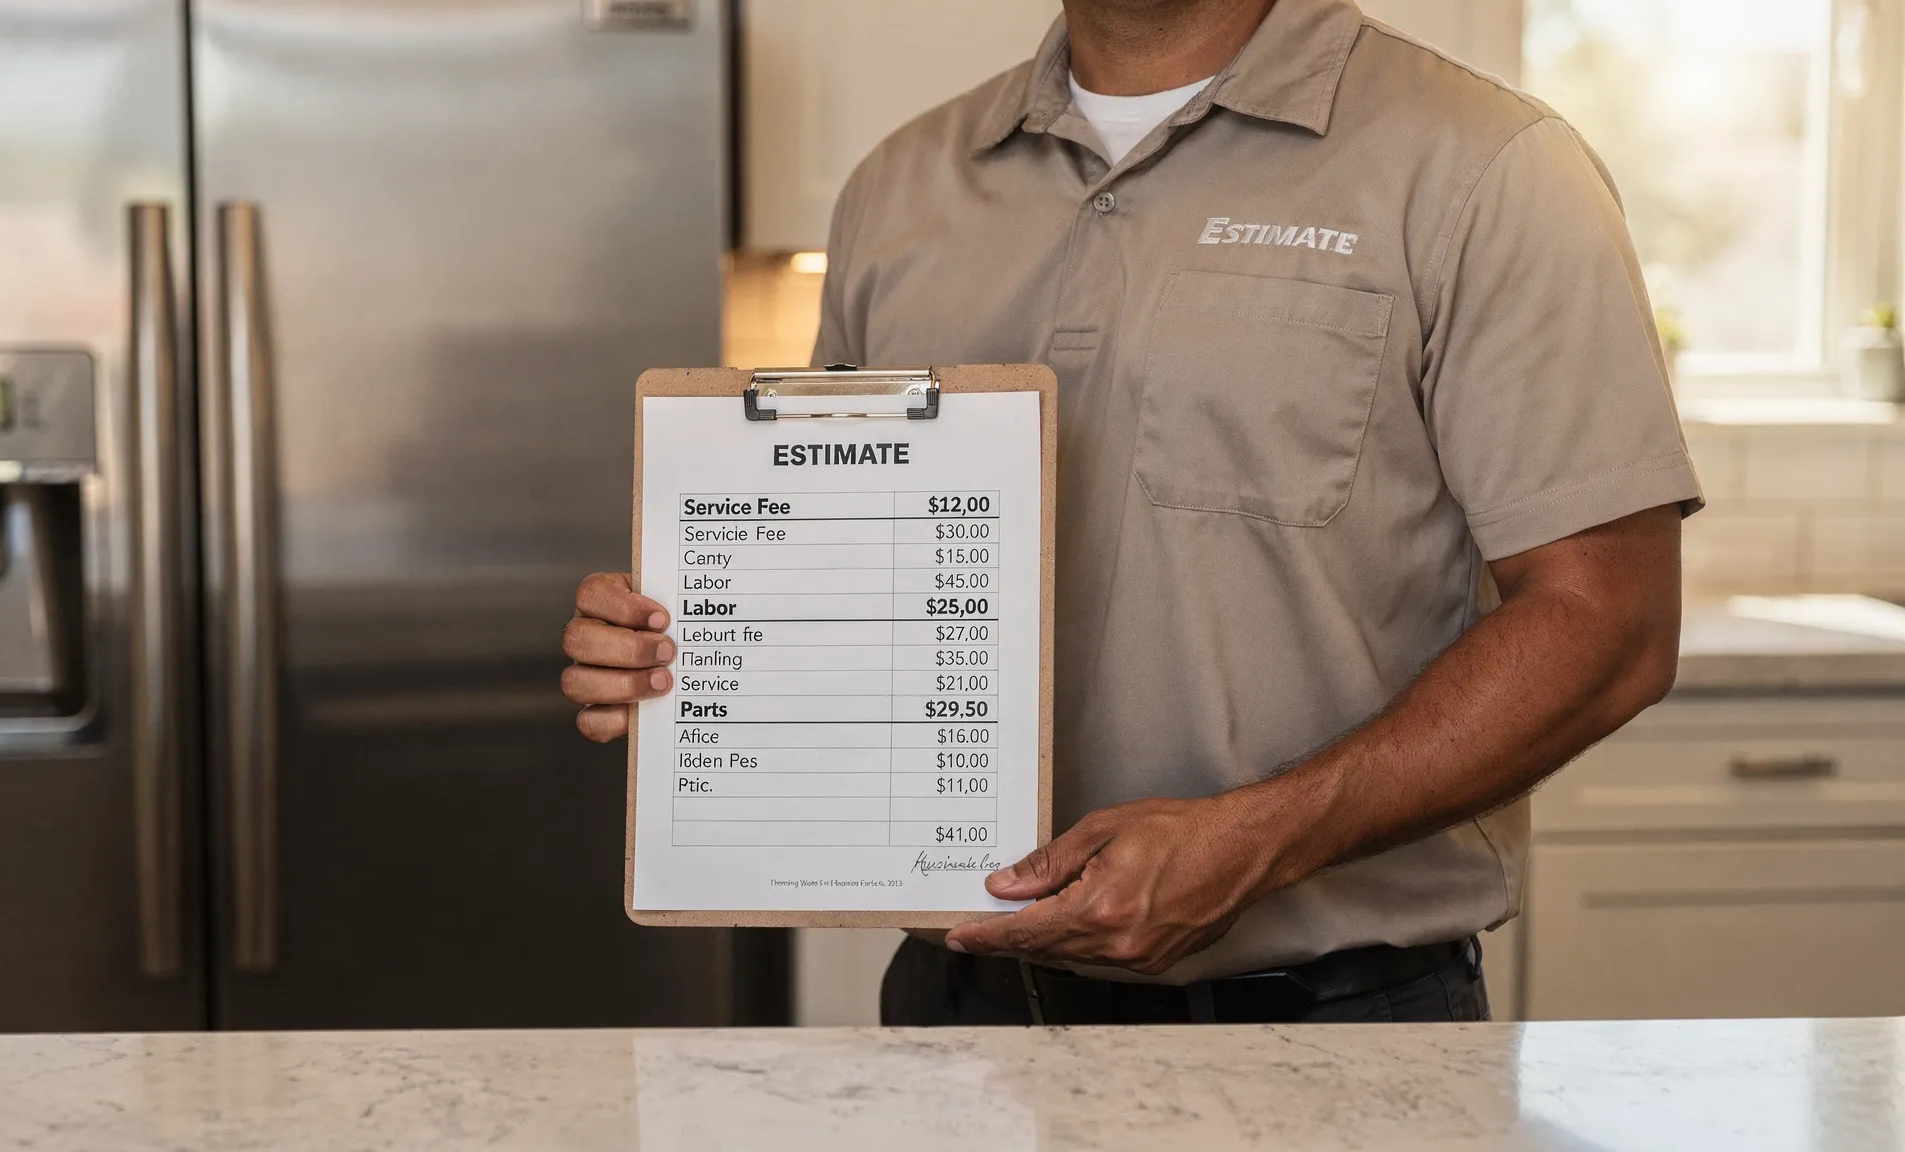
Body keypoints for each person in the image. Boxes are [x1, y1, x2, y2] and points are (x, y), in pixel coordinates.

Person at [562, 0, 1701, 1026]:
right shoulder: (900, 184)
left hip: (1326, 1026)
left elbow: (1609, 626)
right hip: (952, 1014)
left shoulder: (1484, 168)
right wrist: (689, 648)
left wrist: (1254, 839)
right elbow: (845, 574)